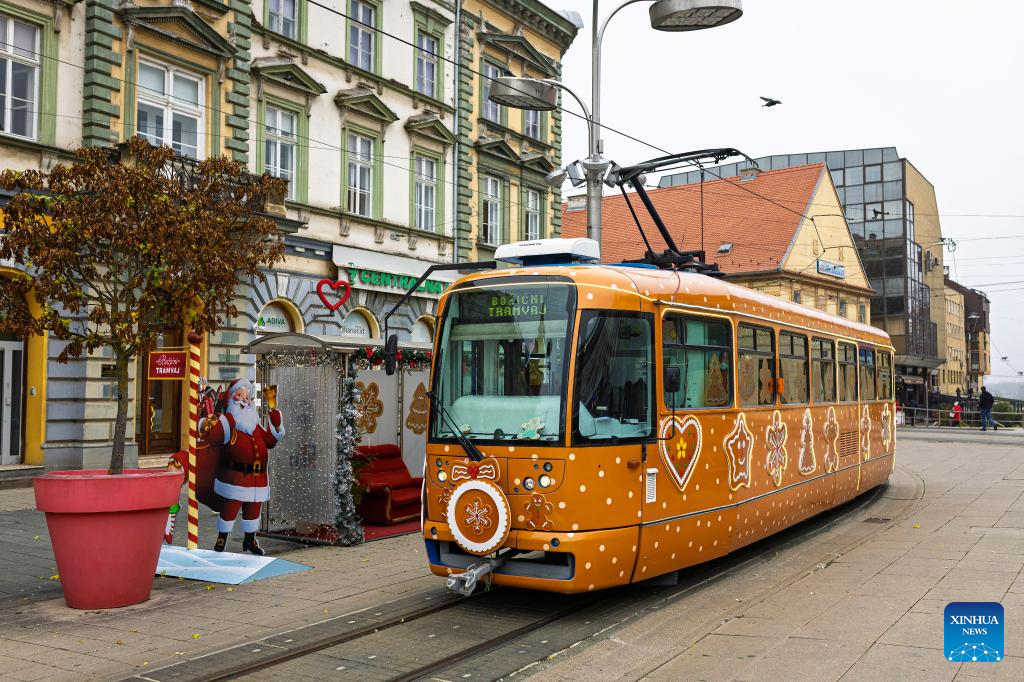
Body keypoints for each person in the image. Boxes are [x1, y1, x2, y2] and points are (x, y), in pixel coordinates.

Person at [200, 378, 284, 554]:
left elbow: (270, 441)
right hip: (235, 478)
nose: (245, 400)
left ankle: (250, 540)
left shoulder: (255, 425)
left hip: (257, 480)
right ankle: (222, 537)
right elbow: (214, 439)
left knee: (253, 510)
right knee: (230, 508)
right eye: (240, 395)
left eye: (248, 397)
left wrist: (276, 423)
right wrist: (220, 420)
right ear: (232, 398)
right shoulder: (229, 421)